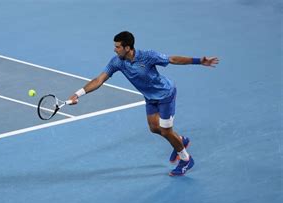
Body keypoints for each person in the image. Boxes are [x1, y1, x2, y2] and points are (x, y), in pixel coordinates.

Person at [68, 31, 219, 176]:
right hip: (150, 98)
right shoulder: (117, 62)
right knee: (154, 128)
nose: (114, 50)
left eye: (118, 46)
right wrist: (78, 94)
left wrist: (199, 61)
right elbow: (99, 80)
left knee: (166, 131)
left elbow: (172, 59)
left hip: (165, 95)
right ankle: (180, 140)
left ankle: (186, 160)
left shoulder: (148, 56)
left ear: (127, 48)